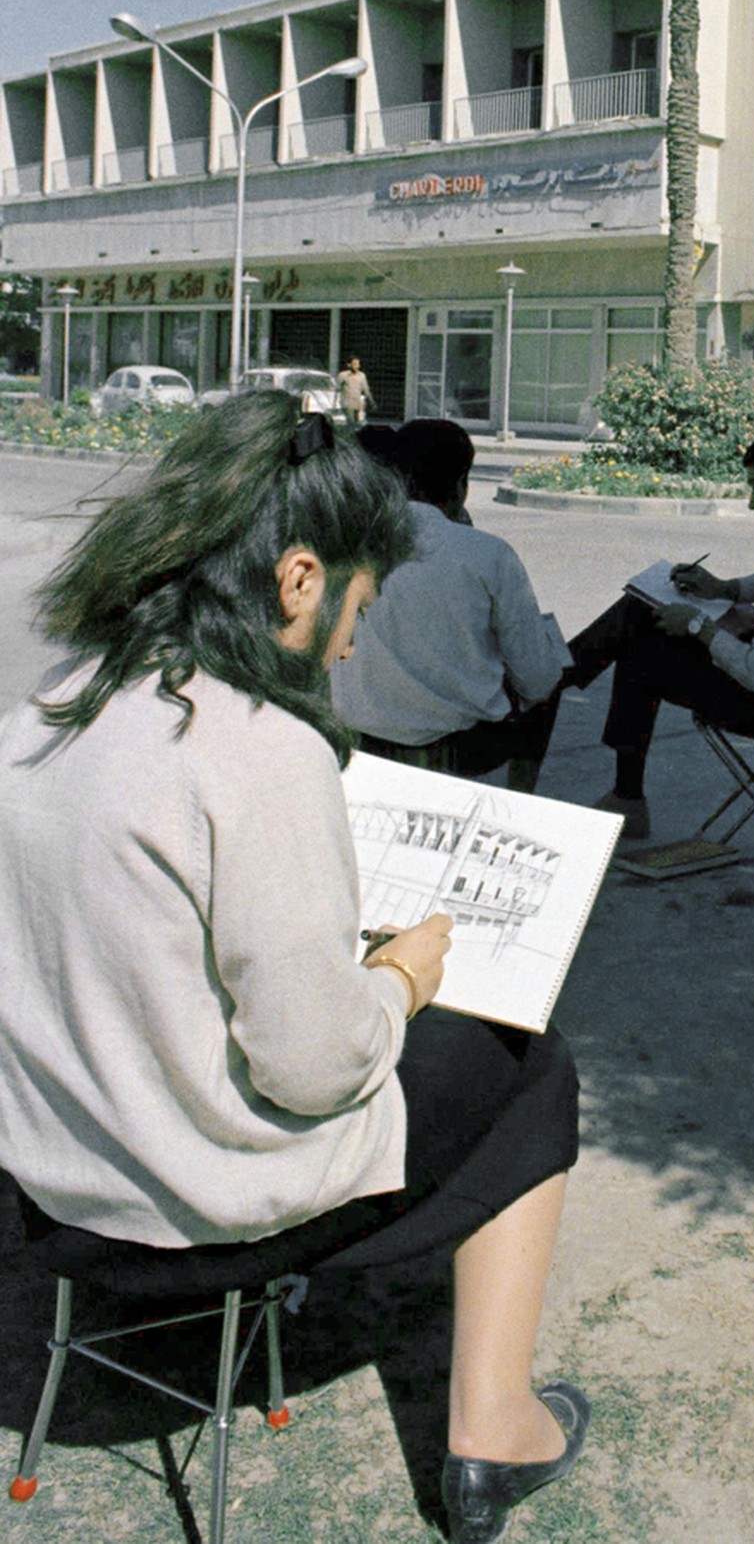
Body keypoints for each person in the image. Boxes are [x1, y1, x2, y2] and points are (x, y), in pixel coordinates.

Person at [0, 395, 587, 1542]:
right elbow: (318, 1069)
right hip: (189, 1200)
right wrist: (402, 976)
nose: (359, 642)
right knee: (534, 1061)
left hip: (48, 1177)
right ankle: (494, 1428)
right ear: (302, 578)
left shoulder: (49, 705)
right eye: (362, 606)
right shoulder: (259, 749)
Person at [561, 424, 754, 841]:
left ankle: (561, 682)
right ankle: (563, 675)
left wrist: (697, 625)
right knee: (644, 611)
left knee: (641, 650)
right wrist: (724, 589)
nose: (751, 502)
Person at [332, 417, 569, 790]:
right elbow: (538, 680)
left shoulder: (345, 542)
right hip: (460, 748)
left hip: (358, 735)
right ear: (461, 485)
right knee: (549, 668)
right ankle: (521, 798)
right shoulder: (488, 553)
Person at [338, 355, 372, 428]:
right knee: (351, 423)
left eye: (358, 364)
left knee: (358, 424)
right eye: (354, 364)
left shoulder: (362, 375)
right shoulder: (343, 375)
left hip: (358, 404)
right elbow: (337, 388)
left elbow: (366, 389)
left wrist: (371, 401)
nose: (357, 366)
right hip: (347, 404)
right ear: (349, 365)